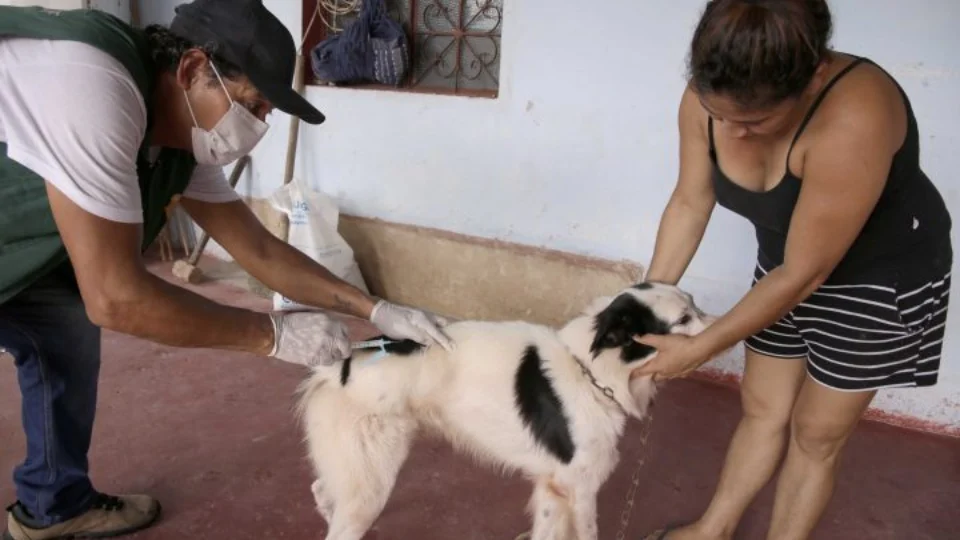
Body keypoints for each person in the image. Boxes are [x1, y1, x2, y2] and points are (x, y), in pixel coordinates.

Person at [0, 1, 453, 538]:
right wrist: (272, 335)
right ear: (194, 71)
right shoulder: (93, 87)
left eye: (265, 115)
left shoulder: (180, 142)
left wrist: (374, 307)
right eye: (252, 106)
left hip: (21, 243)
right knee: (87, 307)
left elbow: (259, 250)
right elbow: (116, 297)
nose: (257, 126)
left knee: (64, 333)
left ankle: (55, 507)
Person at [636, 1, 952, 539]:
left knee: (816, 434)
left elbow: (807, 273)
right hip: (786, 263)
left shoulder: (857, 111)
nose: (732, 133)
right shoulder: (709, 95)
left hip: (879, 279)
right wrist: (644, 303)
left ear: (811, 80)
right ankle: (711, 530)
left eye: (754, 121)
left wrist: (703, 345)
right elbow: (691, 201)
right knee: (762, 407)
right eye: (721, 115)